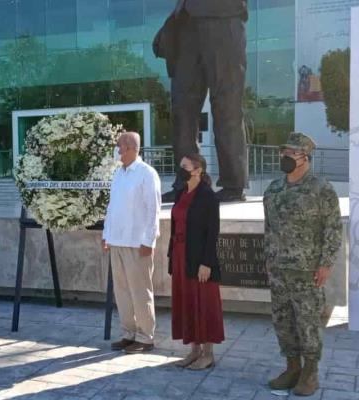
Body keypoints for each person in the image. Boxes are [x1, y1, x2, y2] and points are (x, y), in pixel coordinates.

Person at [263, 132, 342, 396]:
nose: (284, 156)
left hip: (307, 270)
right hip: (278, 269)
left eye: (290, 152)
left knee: (308, 322)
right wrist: (268, 258)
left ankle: (310, 373)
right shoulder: (273, 189)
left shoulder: (321, 189)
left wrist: (326, 263)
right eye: (283, 152)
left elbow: (333, 229)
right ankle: (292, 367)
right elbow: (269, 228)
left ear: (305, 157)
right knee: (283, 321)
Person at [154, 0, 249, 202]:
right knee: (182, 110)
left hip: (223, 17)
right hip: (185, 23)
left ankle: (233, 184)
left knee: (227, 106)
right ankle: (186, 182)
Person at [103, 132, 162, 354]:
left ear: (129, 148)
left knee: (140, 292)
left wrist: (149, 240)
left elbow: (153, 209)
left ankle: (146, 337)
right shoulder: (119, 173)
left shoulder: (147, 173)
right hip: (117, 241)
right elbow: (112, 207)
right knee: (122, 292)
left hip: (138, 244)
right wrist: (107, 235)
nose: (117, 150)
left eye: (119, 146)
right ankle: (129, 334)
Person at [168, 154, 224, 370]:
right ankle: (194, 350)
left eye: (185, 166)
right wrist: (172, 257)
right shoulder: (181, 192)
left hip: (199, 258)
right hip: (180, 255)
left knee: (204, 303)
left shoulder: (208, 196)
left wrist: (207, 263)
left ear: (198, 169)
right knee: (187, 302)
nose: (181, 170)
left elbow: (213, 232)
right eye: (180, 166)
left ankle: (208, 354)